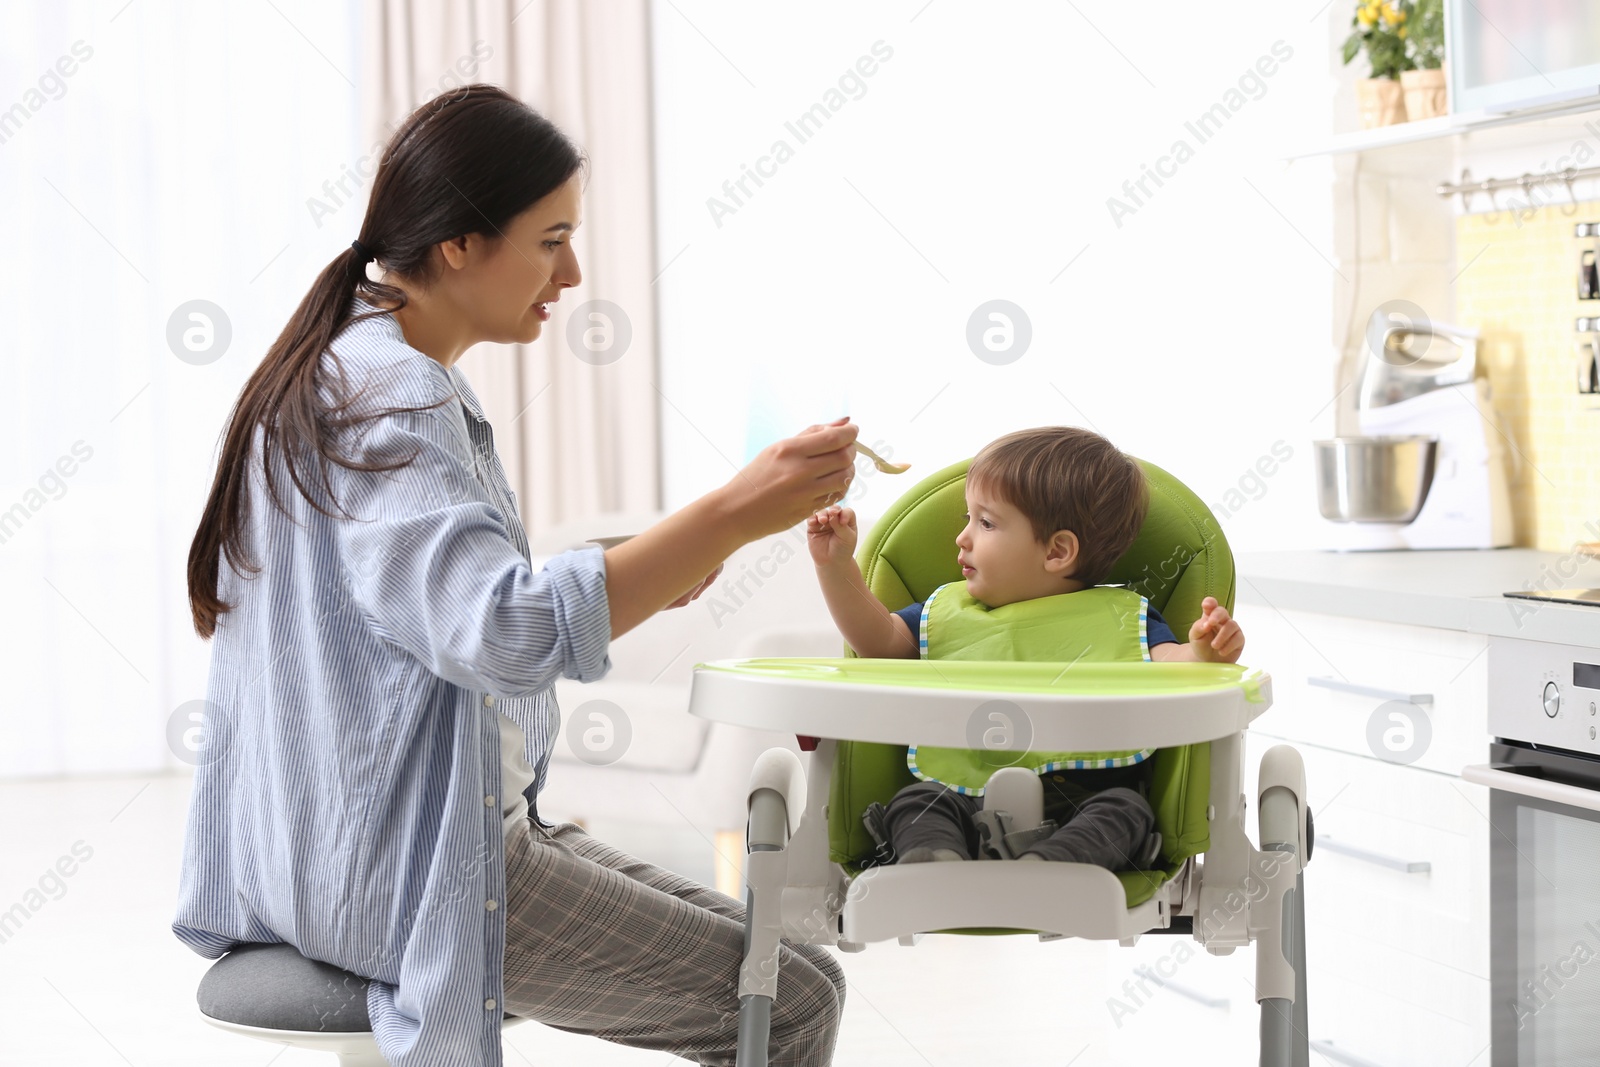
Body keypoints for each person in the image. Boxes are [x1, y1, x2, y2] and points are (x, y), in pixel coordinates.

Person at [176, 84, 853, 1067]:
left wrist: (664, 565)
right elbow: (507, 632)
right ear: (460, 243)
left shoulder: (350, 366)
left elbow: (432, 606)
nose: (572, 271)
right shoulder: (397, 404)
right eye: (551, 238)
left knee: (798, 971)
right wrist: (733, 511)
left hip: (341, 847)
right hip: (413, 868)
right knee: (789, 998)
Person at [805, 425, 1244, 871]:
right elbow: (878, 643)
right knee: (914, 802)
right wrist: (837, 567)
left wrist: (1204, 654)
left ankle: (1046, 867)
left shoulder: (1123, 615)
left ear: (1057, 551)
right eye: (967, 519)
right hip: (956, 795)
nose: (962, 538)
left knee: (1126, 811)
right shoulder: (947, 610)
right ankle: (936, 863)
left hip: (1082, 799)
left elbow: (1170, 666)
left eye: (986, 522)